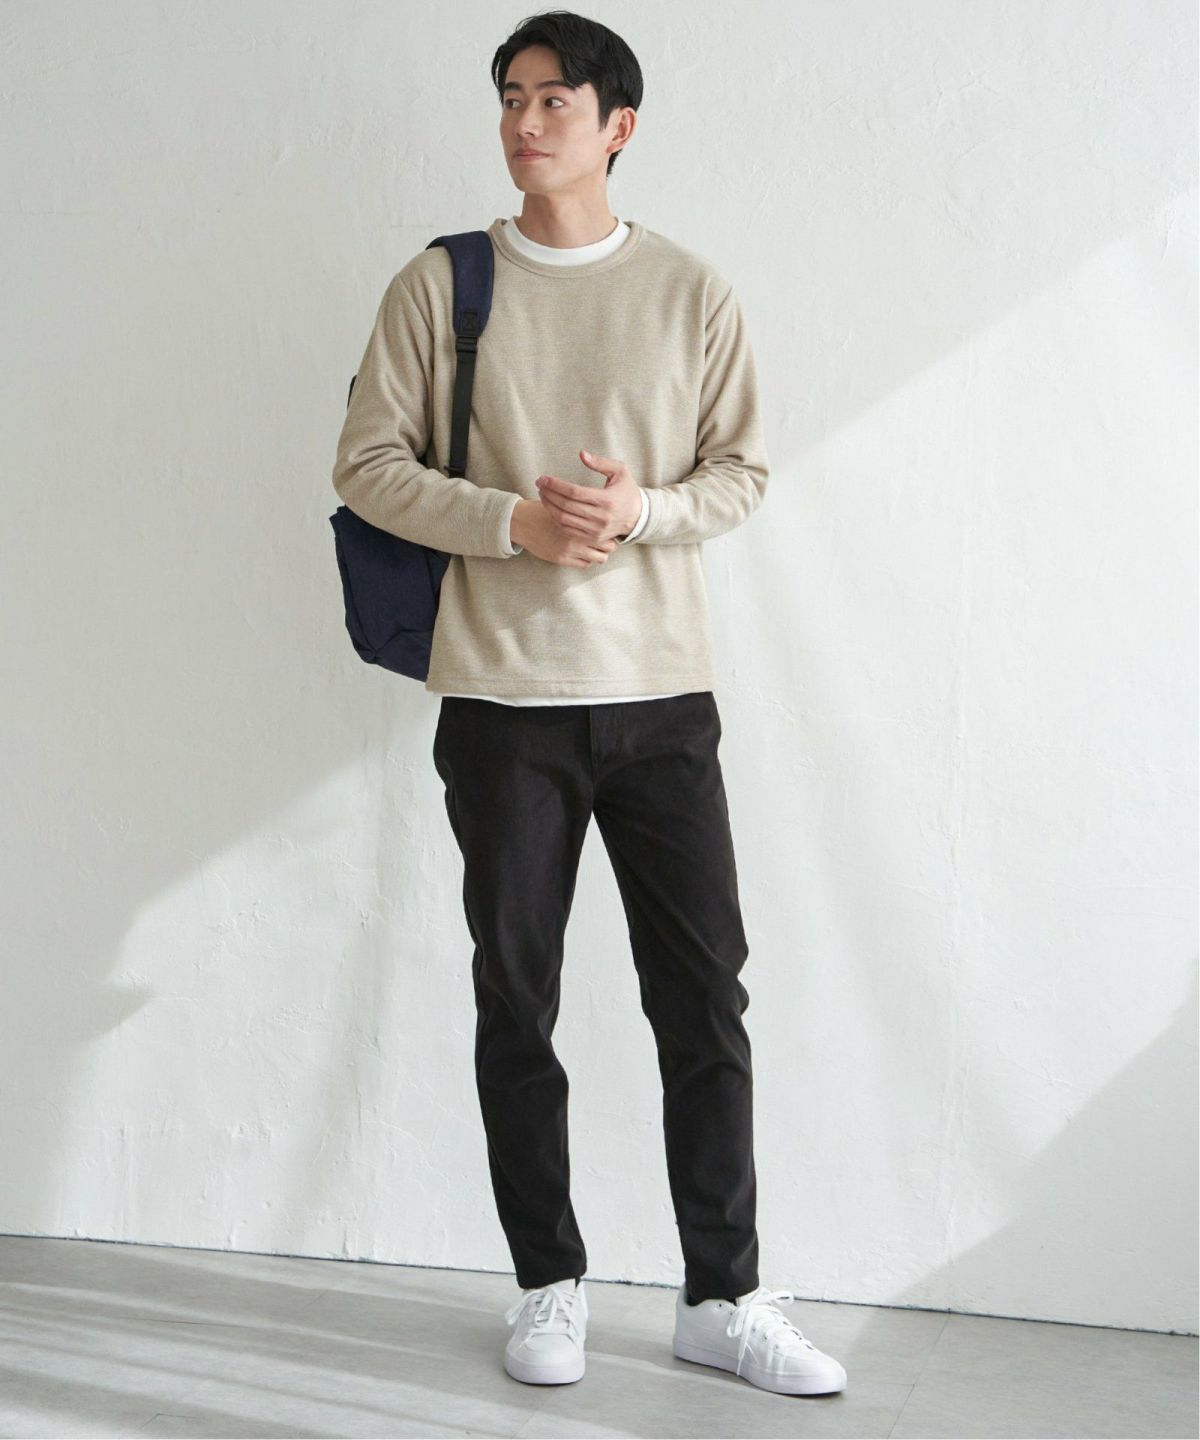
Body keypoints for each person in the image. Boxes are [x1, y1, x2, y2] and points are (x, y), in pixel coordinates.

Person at [331, 7, 848, 1400]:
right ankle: (547, 1283)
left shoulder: (690, 291)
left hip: (664, 698)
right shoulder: (442, 286)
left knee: (706, 998)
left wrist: (643, 512)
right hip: (503, 699)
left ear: (619, 126)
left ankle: (723, 1296)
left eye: (555, 97)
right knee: (519, 997)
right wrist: (513, 522)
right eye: (511, 94)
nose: (525, 119)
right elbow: (366, 465)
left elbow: (742, 471)